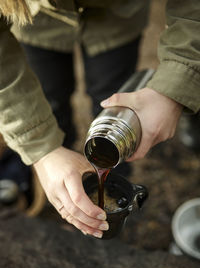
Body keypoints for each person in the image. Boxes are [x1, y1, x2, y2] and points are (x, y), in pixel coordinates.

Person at [0, 0, 200, 239]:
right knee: (49, 100)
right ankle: (50, 192)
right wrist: (43, 150)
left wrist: (174, 88)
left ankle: (120, 174)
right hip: (33, 20)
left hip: (118, 20)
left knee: (111, 95)